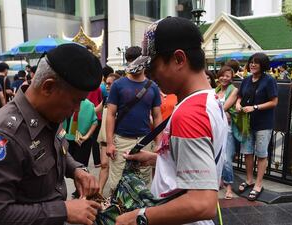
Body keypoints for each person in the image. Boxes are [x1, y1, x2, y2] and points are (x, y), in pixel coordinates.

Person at [0, 43, 103, 225]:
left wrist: (76, 170)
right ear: (48, 87)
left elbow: (56, 152)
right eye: (75, 101)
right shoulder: (3, 135)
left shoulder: (51, 114)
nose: (77, 110)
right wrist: (63, 210)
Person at [115, 17, 228, 225]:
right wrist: (158, 159)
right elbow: (200, 168)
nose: (150, 76)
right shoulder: (211, 102)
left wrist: (137, 217)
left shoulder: (190, 113)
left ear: (179, 59)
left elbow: (202, 203)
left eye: (153, 67)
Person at [106, 55, 162, 193]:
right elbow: (111, 114)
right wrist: (109, 143)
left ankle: (139, 213)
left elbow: (157, 116)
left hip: (144, 140)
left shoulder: (153, 87)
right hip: (121, 140)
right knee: (118, 181)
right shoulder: (118, 85)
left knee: (143, 182)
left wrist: (159, 143)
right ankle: (117, 211)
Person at [235, 52, 278, 201]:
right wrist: (238, 104)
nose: (253, 64)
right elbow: (240, 96)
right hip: (247, 123)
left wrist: (255, 107)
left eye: (256, 62)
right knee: (247, 152)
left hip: (263, 124)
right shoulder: (246, 80)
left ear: (263, 65)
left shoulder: (269, 80)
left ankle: (258, 184)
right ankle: (249, 180)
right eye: (251, 62)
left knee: (261, 154)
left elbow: (274, 102)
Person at [215, 66, 239, 200]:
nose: (224, 78)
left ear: (231, 78)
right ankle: (219, 181)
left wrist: (222, 112)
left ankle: (229, 186)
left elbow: (224, 106)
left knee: (226, 159)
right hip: (215, 129)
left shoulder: (234, 90)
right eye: (222, 75)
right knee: (216, 158)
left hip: (227, 130)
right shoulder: (215, 90)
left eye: (227, 76)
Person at [96, 73, 120, 194]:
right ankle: (98, 193)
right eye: (106, 83)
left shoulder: (121, 100)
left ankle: (114, 194)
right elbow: (95, 111)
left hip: (115, 139)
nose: (107, 86)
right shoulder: (106, 99)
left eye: (110, 83)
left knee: (115, 168)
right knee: (104, 165)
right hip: (104, 138)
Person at [87, 86, 103, 168]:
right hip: (97, 116)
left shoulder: (84, 87)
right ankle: (97, 162)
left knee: (86, 138)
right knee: (95, 139)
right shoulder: (98, 88)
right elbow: (101, 101)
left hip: (86, 114)